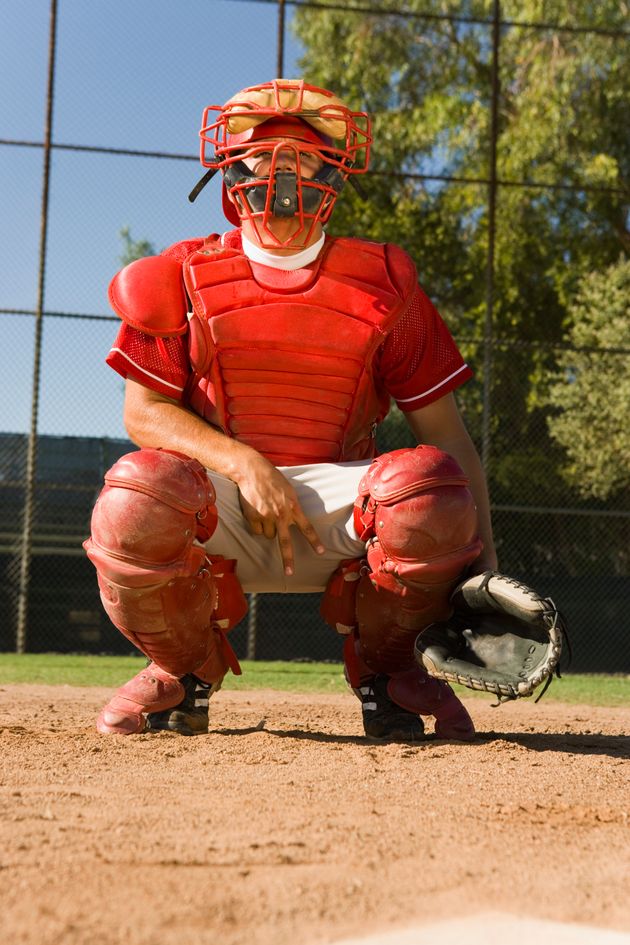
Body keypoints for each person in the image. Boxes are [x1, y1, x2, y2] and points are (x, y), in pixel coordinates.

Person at [84, 78, 498, 742]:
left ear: (332, 171)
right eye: (264, 151)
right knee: (136, 494)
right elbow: (145, 414)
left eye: (302, 154)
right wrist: (245, 464)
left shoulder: (387, 282)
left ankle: (389, 672)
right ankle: (182, 668)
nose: (282, 168)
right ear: (232, 171)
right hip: (220, 508)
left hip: (343, 518)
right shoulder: (181, 272)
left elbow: (450, 439)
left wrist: (486, 573)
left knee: (428, 488)